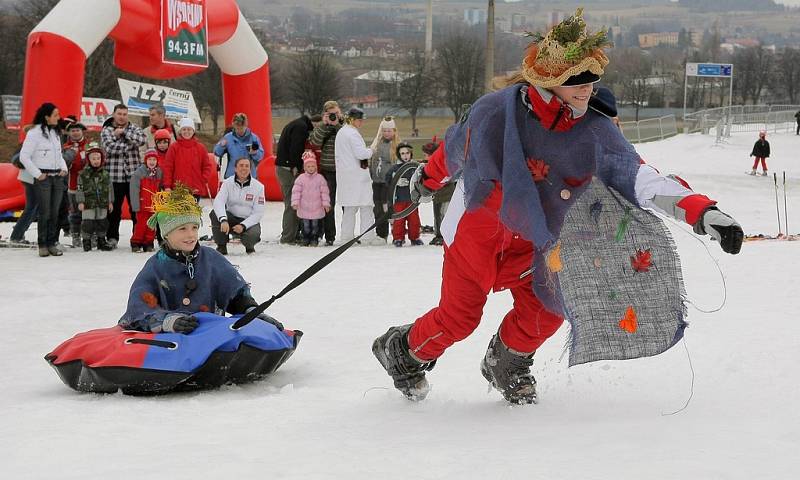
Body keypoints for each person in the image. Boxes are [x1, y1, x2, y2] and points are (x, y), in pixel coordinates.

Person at [372, 10, 744, 405]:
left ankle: (507, 361)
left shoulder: (595, 130)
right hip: (477, 233)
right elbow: (454, 151)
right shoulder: (496, 112)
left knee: (550, 307)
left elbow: (639, 177)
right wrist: (425, 181)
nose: (586, 89)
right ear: (550, 80)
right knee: (459, 319)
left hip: (538, 239)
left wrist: (702, 212)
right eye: (575, 81)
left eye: (591, 80)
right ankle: (402, 352)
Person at [119, 185, 282, 333]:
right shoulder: (155, 266)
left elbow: (234, 295)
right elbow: (139, 306)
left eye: (194, 228)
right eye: (182, 229)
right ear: (166, 234)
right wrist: (168, 322)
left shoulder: (211, 258)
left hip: (209, 335)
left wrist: (251, 311)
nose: (190, 235)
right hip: (171, 341)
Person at [18, 102, 68, 257]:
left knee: (55, 212)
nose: (58, 117)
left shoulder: (55, 133)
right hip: (44, 178)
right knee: (45, 212)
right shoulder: (34, 133)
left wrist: (64, 167)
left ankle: (52, 242)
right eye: (55, 115)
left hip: (57, 177)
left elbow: (58, 154)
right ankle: (42, 243)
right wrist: (37, 173)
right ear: (47, 117)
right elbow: (24, 157)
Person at [100, 103, 146, 248]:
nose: (122, 117)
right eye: (119, 114)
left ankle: (137, 236)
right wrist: (130, 144)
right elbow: (110, 148)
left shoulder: (134, 128)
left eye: (125, 114)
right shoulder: (106, 130)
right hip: (114, 176)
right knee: (114, 210)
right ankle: (112, 237)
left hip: (133, 176)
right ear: (114, 114)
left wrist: (124, 134)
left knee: (136, 208)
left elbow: (142, 140)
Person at [335, 107, 382, 245]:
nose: (361, 123)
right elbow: (361, 154)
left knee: (350, 208)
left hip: (346, 176)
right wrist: (371, 150)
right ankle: (367, 237)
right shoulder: (352, 134)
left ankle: (346, 237)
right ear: (352, 120)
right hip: (357, 176)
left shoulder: (342, 132)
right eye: (359, 120)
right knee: (366, 206)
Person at [211, 157, 266, 255]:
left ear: (250, 169)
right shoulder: (227, 183)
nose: (244, 168)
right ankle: (221, 246)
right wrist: (223, 219)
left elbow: (258, 213)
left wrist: (243, 226)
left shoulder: (258, 187)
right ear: (235, 168)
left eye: (247, 166)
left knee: (252, 236)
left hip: (248, 220)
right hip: (230, 218)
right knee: (214, 213)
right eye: (241, 166)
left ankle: (249, 246)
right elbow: (219, 201)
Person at [274, 113, 315, 244]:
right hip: (288, 170)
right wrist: (295, 166)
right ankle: (288, 237)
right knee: (292, 204)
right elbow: (296, 148)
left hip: (283, 167)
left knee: (292, 203)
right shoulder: (301, 127)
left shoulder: (296, 123)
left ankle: (291, 233)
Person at [308, 100, 343, 246]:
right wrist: (324, 124)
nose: (334, 116)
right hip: (328, 170)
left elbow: (350, 137)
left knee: (347, 205)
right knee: (328, 204)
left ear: (339, 111)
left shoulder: (345, 123)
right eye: (331, 114)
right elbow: (314, 142)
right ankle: (330, 236)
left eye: (335, 113)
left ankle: (347, 234)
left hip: (344, 170)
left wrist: (337, 124)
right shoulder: (323, 125)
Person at [77, 142, 114, 252]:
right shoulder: (83, 174)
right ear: (89, 160)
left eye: (98, 158)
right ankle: (86, 241)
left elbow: (110, 188)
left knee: (102, 222)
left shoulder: (105, 174)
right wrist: (80, 201)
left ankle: (101, 241)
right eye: (93, 158)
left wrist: (110, 201)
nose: (96, 161)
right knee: (87, 223)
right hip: (88, 203)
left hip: (102, 202)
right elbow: (79, 189)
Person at [162, 118, 213, 196]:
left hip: (195, 189)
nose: (186, 132)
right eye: (184, 129)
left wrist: (202, 179)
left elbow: (207, 166)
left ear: (193, 131)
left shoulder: (201, 148)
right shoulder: (174, 147)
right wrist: (167, 186)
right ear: (180, 131)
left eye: (189, 129)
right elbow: (168, 167)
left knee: (193, 208)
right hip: (178, 189)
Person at [385, 142, 423, 247]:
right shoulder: (394, 169)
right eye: (402, 153)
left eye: (407, 153)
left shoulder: (415, 167)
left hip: (412, 200)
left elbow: (422, 179)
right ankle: (398, 238)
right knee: (399, 220)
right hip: (399, 199)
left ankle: (415, 237)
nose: (405, 156)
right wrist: (396, 181)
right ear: (399, 155)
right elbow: (387, 180)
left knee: (414, 220)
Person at [368, 116, 399, 240]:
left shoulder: (396, 145)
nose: (386, 133)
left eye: (389, 130)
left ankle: (397, 233)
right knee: (378, 208)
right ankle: (381, 234)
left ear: (394, 131)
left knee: (388, 208)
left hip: (388, 183)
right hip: (376, 181)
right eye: (384, 130)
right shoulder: (377, 144)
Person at [291, 150, 331, 246]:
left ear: (316, 167)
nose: (311, 168)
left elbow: (324, 192)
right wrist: (295, 203)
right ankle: (305, 237)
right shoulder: (300, 179)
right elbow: (296, 191)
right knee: (306, 225)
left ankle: (314, 238)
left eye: (313, 166)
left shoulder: (320, 178)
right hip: (304, 207)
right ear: (305, 167)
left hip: (317, 207)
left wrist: (326, 204)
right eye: (308, 166)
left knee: (315, 225)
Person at [213, 112, 265, 179]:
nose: (239, 131)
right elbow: (217, 152)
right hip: (232, 176)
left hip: (249, 176)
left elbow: (260, 156)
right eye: (237, 128)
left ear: (246, 126)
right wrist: (221, 146)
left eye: (241, 128)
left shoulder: (254, 138)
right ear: (234, 126)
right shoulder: (228, 137)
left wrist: (255, 153)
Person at [130, 149, 163, 252]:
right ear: (145, 160)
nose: (152, 162)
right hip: (142, 204)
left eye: (154, 159)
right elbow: (134, 190)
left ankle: (148, 243)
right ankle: (136, 242)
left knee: (151, 226)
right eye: (149, 159)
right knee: (141, 225)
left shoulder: (158, 173)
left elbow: (160, 189)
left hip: (153, 205)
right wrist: (135, 205)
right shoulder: (139, 173)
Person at [422, 138, 452, 246]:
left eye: (427, 155)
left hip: (446, 195)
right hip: (437, 196)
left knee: (444, 215)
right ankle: (438, 234)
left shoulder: (441, 165)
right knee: (437, 215)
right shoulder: (426, 166)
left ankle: (445, 236)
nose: (425, 157)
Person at [62, 121, 88, 247]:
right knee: (75, 213)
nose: (76, 133)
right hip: (73, 186)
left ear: (82, 131)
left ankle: (88, 235)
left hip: (89, 187)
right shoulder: (65, 148)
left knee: (88, 213)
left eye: (78, 130)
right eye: (73, 131)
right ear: (69, 133)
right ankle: (75, 235)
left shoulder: (89, 146)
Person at [8, 142, 40, 246]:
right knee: (32, 208)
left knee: (34, 208)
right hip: (31, 177)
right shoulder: (33, 138)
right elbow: (16, 158)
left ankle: (18, 233)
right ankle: (16, 235)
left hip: (35, 177)